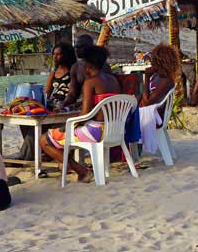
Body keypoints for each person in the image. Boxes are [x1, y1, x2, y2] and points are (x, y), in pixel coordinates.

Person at [40, 46, 120, 182]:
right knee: (63, 131)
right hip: (113, 129)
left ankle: (81, 171)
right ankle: (79, 168)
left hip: (95, 132)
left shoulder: (90, 82)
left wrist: (68, 126)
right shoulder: (113, 80)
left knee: (43, 139)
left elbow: (85, 114)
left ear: (87, 64)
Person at [15, 43, 77, 161]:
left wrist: (62, 105)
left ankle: (25, 156)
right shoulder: (54, 72)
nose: (55, 57)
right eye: (54, 54)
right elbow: (46, 92)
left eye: (59, 54)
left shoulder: (74, 71)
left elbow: (74, 95)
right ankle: (36, 151)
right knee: (25, 121)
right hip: (50, 107)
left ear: (67, 55)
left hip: (66, 109)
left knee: (36, 126)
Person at [139, 44, 180, 155]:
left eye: (154, 60)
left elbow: (147, 101)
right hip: (154, 112)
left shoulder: (165, 80)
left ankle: (129, 154)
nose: (151, 62)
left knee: (123, 120)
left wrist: (146, 77)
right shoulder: (159, 77)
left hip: (155, 116)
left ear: (160, 62)